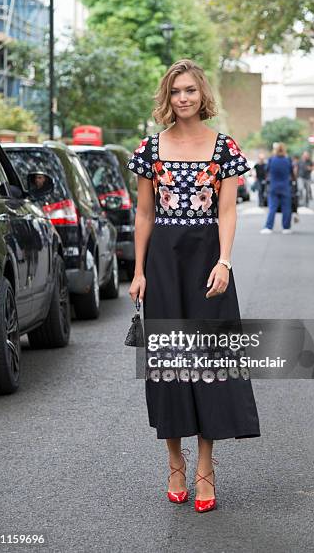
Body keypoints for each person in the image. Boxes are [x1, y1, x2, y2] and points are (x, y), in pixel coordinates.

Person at [127, 58, 261, 513]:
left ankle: (206, 468)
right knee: (168, 364)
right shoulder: (150, 148)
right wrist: (139, 270)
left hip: (207, 259)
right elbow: (144, 214)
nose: (184, 98)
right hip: (163, 262)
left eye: (190, 90)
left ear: (202, 95)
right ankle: (174, 463)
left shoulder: (224, 148)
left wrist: (224, 260)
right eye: (176, 91)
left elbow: (227, 210)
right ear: (168, 97)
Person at [260, 142, 294, 234]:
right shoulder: (288, 160)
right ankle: (286, 228)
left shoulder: (272, 159)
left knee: (272, 207)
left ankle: (269, 227)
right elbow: (292, 173)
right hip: (285, 186)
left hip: (273, 186)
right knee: (286, 208)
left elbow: (266, 170)